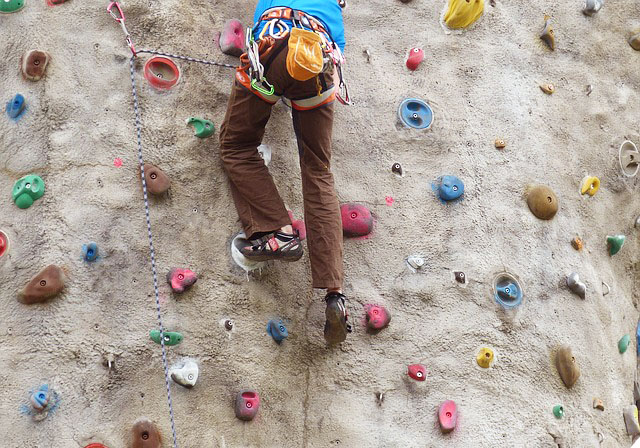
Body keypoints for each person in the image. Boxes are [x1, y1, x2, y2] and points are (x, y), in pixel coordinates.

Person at [219, 0, 351, 344]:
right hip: (319, 58)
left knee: (236, 144)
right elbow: (337, 66)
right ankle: (335, 294)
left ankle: (277, 231)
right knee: (318, 170)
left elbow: (263, 23)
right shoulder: (335, 15)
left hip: (277, 42)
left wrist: (273, 88)